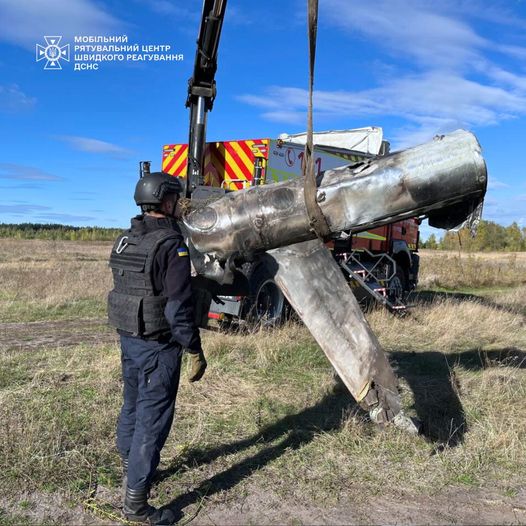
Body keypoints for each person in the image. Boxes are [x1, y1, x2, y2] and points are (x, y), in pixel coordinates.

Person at [107, 172, 207, 524]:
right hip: (158, 346)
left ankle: (130, 470)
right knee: (153, 420)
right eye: (176, 198)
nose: (180, 204)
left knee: (132, 407)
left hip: (129, 337)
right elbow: (177, 309)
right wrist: (193, 348)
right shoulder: (171, 245)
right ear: (165, 201)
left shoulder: (126, 239)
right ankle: (136, 503)